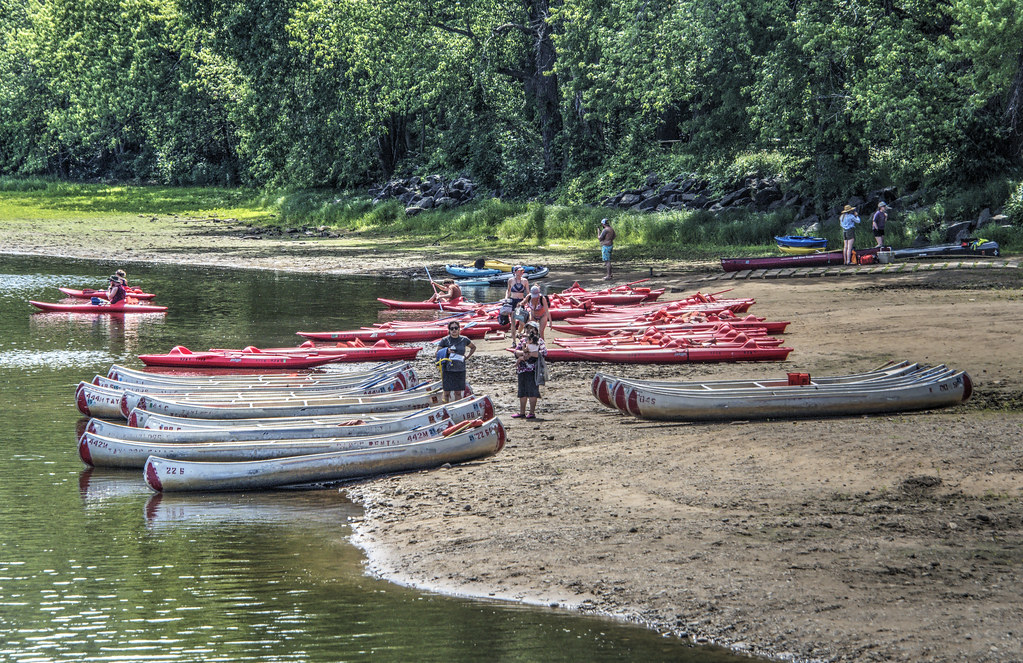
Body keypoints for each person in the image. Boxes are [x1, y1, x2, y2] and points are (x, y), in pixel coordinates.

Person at [511, 321, 547, 419]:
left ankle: (532, 412)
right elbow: (516, 352)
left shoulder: (539, 341)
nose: (529, 330)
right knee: (522, 391)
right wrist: (524, 353)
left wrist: (528, 354)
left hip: (533, 370)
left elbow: (543, 353)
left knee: (532, 391)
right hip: (522, 369)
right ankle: (522, 412)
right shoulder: (523, 341)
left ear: (536, 330)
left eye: (531, 328)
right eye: (527, 328)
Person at [435, 321, 476, 402]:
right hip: (448, 369)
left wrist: (467, 357)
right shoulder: (445, 340)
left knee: (458, 392)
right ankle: (445, 407)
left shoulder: (464, 339)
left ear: (459, 329)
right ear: (449, 330)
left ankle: (458, 407)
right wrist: (446, 350)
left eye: (456, 328)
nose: (454, 330)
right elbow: (437, 353)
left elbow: (473, 347)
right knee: (446, 392)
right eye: (452, 328)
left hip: (460, 369)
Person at [505, 266, 529, 342]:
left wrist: (528, 300)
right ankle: (514, 341)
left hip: (521, 302)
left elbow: (528, 293)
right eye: (519, 271)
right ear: (515, 272)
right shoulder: (510, 280)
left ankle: (518, 332)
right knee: (513, 321)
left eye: (522, 271)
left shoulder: (525, 281)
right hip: (513, 301)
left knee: (522, 322)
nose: (521, 272)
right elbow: (508, 290)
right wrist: (506, 298)